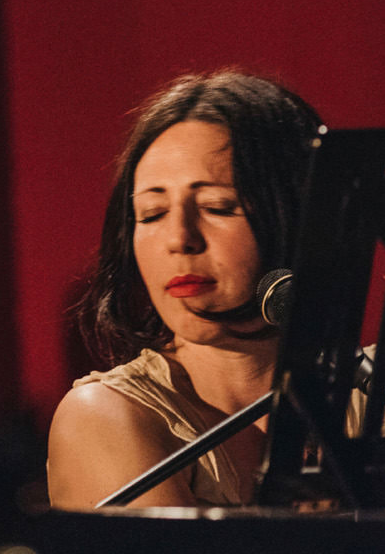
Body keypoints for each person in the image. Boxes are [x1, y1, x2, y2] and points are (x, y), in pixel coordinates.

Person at [47, 71, 320, 508]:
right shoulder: (107, 415)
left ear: (297, 214)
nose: (180, 238)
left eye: (216, 207)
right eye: (152, 214)